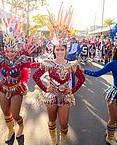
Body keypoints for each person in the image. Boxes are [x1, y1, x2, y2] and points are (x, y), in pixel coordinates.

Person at [33, 5, 85, 145]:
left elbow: (82, 78)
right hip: (51, 96)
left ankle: (62, 141)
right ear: (54, 50)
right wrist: (46, 89)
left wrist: (72, 90)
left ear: (66, 50)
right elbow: (36, 76)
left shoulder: (71, 64)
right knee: (51, 121)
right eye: (58, 49)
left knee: (63, 123)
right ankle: (53, 140)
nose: (60, 52)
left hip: (65, 96)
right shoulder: (48, 63)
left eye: (62, 49)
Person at [0, 4, 40, 142]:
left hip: (17, 88)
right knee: (6, 113)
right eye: (8, 51)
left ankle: (20, 126)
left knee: (15, 115)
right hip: (3, 88)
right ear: (5, 50)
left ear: (17, 51)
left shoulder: (21, 60)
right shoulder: (1, 60)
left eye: (13, 51)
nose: (10, 54)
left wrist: (48, 63)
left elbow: (33, 64)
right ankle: (10, 130)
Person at [84, 20, 117, 145]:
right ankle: (110, 137)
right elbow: (97, 73)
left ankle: (110, 131)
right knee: (114, 118)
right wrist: (83, 70)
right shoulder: (113, 63)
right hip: (115, 94)